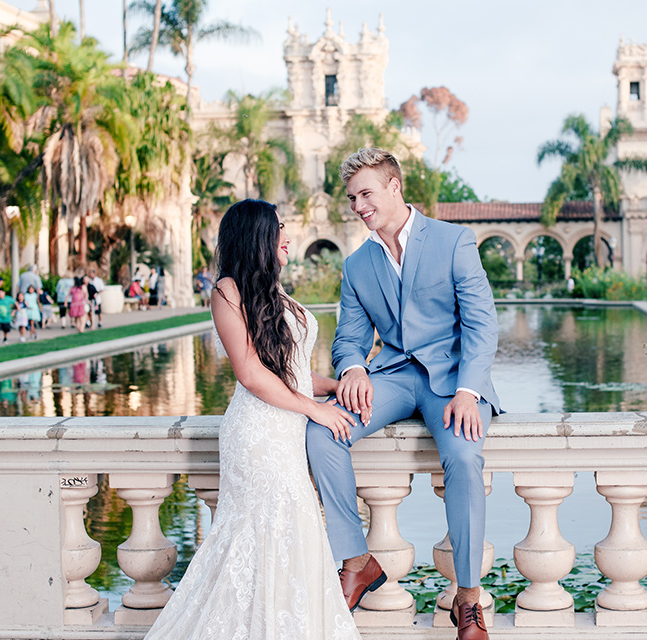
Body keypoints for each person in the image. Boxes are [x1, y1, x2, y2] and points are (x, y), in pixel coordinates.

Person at [142, 199, 361, 640]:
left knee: (292, 535)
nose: (288, 235)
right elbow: (251, 372)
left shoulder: (276, 293)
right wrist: (314, 408)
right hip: (258, 434)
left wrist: (333, 387)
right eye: (278, 227)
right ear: (256, 235)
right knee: (257, 538)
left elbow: (290, 371)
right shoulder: (227, 291)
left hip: (286, 429)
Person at [306, 149, 499, 640]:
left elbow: (481, 322)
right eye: (352, 198)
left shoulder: (454, 240)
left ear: (394, 187)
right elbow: (349, 337)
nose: (358, 206)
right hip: (389, 377)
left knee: (463, 454)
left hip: (453, 380)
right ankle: (357, 560)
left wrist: (469, 390)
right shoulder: (357, 265)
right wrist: (351, 368)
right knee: (322, 430)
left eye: (366, 194)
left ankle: (469, 600)